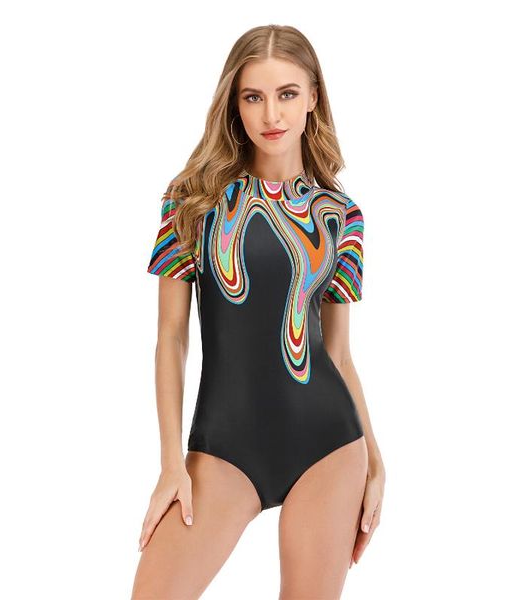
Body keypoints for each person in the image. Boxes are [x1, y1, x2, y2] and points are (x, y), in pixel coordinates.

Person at [131, 24, 386, 600]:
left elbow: (338, 354)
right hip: (223, 449)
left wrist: (374, 460)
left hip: (328, 446)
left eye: (287, 94)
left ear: (313, 97)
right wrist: (171, 464)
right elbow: (171, 337)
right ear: (234, 103)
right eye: (253, 96)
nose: (272, 114)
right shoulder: (191, 201)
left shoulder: (341, 215)